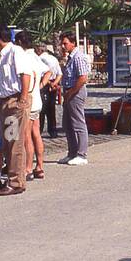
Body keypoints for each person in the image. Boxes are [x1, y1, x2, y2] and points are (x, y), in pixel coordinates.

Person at [0, 25, 33, 197]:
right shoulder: (3, 56)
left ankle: (15, 182)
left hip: (15, 101)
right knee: (9, 141)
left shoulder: (15, 52)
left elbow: (25, 75)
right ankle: (15, 179)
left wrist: (22, 99)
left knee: (14, 141)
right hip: (6, 101)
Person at [20, 31, 52, 181]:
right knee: (36, 133)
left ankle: (27, 168)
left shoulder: (24, 57)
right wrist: (40, 85)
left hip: (30, 100)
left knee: (27, 135)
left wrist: (35, 87)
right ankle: (39, 166)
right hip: (37, 100)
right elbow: (48, 72)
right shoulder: (35, 57)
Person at [58, 33, 90, 165]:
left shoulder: (78, 57)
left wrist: (71, 92)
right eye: (62, 43)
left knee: (78, 123)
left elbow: (83, 78)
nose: (63, 46)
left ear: (73, 43)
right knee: (67, 123)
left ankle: (82, 154)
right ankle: (72, 152)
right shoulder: (70, 58)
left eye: (65, 43)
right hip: (68, 92)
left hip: (75, 92)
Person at [37, 43, 62, 139]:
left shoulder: (40, 59)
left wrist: (49, 84)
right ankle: (53, 130)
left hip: (44, 85)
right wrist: (54, 83)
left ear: (39, 50)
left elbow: (44, 74)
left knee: (42, 109)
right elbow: (59, 74)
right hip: (53, 84)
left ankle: (39, 130)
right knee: (51, 109)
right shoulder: (54, 58)